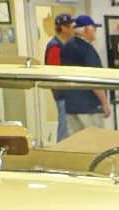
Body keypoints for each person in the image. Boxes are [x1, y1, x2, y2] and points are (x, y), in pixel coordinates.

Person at [58, 15, 109, 135]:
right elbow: (94, 79)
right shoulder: (87, 49)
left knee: (76, 142)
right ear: (86, 30)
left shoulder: (66, 46)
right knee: (95, 141)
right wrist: (104, 103)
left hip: (71, 105)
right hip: (89, 106)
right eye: (94, 29)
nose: (95, 32)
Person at [44, 13, 74, 141]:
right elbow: (54, 72)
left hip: (66, 91)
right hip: (63, 92)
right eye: (71, 26)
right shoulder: (55, 46)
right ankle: (61, 147)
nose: (73, 30)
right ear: (63, 28)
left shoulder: (65, 45)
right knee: (64, 124)